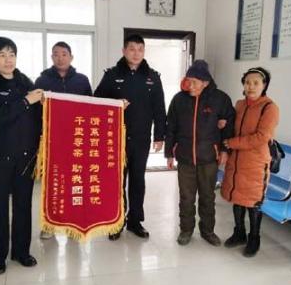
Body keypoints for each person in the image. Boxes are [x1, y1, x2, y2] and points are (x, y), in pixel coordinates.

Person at [0, 36, 43, 274]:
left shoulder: (25, 83)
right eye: (2, 55)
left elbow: (39, 116)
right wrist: (26, 101)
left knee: (23, 205)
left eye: (11, 54)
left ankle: (21, 252)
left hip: (25, 157)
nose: (8, 60)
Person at [94, 34, 166, 239]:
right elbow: (97, 102)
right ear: (124, 51)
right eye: (132, 49)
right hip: (115, 138)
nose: (136, 53)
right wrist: (115, 105)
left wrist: (159, 136)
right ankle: (116, 222)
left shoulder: (153, 77)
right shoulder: (112, 75)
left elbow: (159, 109)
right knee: (116, 182)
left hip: (141, 138)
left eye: (140, 49)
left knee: (138, 181)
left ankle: (135, 221)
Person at [165, 60, 235, 246]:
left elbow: (229, 126)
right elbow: (170, 127)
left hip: (209, 158)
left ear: (205, 82)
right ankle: (186, 230)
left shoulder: (220, 99)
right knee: (186, 197)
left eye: (195, 82)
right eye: (188, 80)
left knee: (207, 197)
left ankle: (208, 231)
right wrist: (169, 153)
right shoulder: (179, 99)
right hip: (185, 158)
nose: (190, 85)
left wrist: (225, 150)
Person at [35, 41, 92, 239]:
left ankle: (73, 224)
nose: (60, 58)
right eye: (56, 54)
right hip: (52, 140)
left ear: (71, 57)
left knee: (75, 182)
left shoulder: (82, 80)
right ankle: (49, 224)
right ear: (52, 57)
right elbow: (34, 111)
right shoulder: (42, 80)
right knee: (52, 182)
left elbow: (91, 107)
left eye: (64, 54)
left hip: (76, 140)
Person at [220, 67, 279, 257]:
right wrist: (223, 125)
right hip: (237, 161)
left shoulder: (270, 108)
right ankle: (239, 233)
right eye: (247, 82)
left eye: (256, 83)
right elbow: (232, 127)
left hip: (256, 163)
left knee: (253, 202)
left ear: (264, 85)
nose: (251, 86)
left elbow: (262, 137)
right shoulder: (239, 105)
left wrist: (232, 143)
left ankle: (254, 238)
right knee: (237, 198)